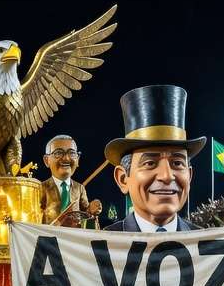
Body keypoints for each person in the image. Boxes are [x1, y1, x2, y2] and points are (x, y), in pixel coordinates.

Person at [104, 85, 205, 232]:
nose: (167, 176)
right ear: (123, 179)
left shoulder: (206, 242)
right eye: (150, 163)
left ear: (189, 176)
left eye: (177, 163)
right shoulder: (104, 243)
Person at [39, 135, 101, 227]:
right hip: (48, 235)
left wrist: (92, 211)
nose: (66, 158)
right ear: (46, 160)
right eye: (58, 153)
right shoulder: (40, 188)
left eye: (71, 153)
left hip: (73, 235)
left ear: (77, 159)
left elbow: (86, 215)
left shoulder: (79, 188)